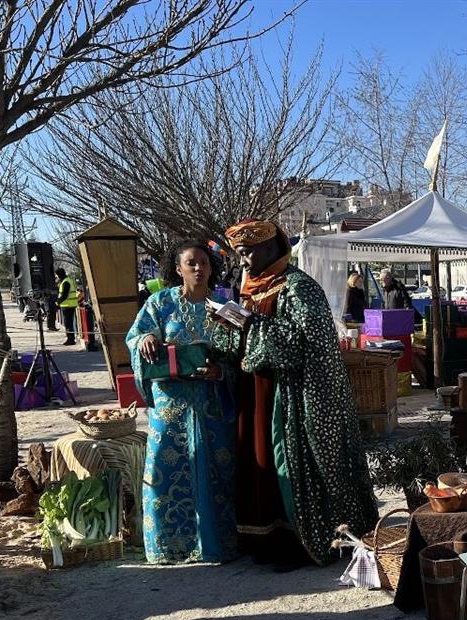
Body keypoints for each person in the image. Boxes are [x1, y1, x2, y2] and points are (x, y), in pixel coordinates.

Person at [211, 219, 378, 572]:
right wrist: (228, 326)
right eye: (240, 254)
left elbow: (307, 345)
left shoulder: (298, 288)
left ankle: (299, 541)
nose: (243, 261)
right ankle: (264, 539)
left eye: (248, 252)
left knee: (290, 461)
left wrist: (250, 325)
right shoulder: (249, 288)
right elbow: (242, 344)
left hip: (295, 398)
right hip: (258, 393)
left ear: (272, 248)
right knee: (262, 464)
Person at [125, 241, 237, 564]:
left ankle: (219, 543)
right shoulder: (160, 303)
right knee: (164, 467)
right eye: (192, 263)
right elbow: (135, 336)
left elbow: (235, 356)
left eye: (204, 263)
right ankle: (169, 545)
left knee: (218, 469)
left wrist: (220, 371)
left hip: (210, 402)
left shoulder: (222, 308)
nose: (199, 269)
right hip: (170, 405)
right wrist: (145, 339)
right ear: (178, 269)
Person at [55, 268, 78, 345]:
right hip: (70, 304)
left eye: (57, 276)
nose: (57, 277)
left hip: (68, 305)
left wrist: (57, 303)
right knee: (69, 323)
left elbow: (64, 295)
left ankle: (70, 339)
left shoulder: (66, 282)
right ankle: (70, 338)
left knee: (68, 323)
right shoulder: (68, 280)